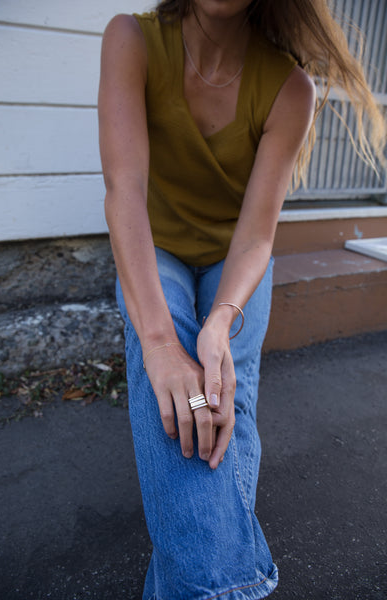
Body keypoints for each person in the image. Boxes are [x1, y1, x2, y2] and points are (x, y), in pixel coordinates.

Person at [98, 1, 386, 598]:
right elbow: (124, 191)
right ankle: (226, 582)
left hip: (235, 264)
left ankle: (198, 578)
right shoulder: (132, 39)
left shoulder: (289, 89)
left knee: (223, 386)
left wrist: (220, 321)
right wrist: (157, 340)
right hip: (158, 248)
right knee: (172, 371)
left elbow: (257, 237)